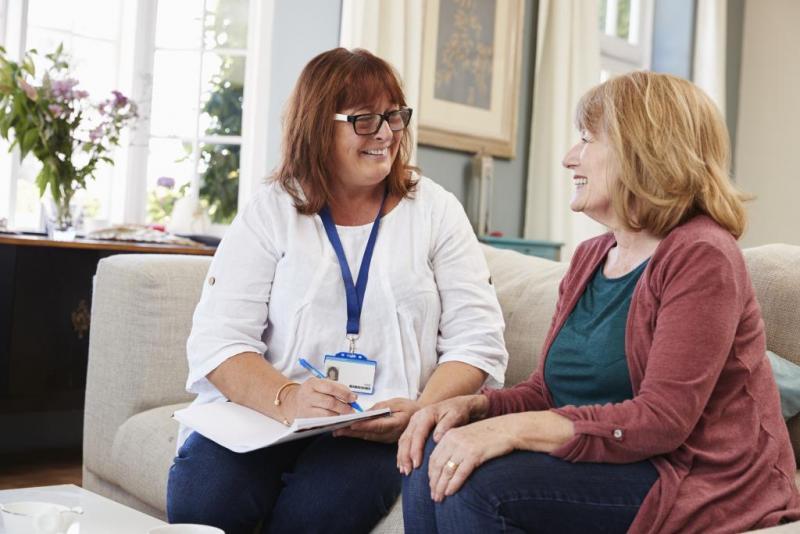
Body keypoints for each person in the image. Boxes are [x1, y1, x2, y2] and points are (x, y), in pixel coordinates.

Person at [399, 71, 800, 533]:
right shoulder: (592, 256)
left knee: (477, 486)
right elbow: (547, 394)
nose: (571, 157)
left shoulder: (702, 255)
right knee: (430, 453)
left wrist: (508, 432)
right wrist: (476, 409)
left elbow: (661, 421)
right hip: (618, 463)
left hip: (692, 476)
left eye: (587, 139)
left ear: (643, 152)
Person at [166, 47, 507, 534]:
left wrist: (420, 410)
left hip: (378, 432)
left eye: (394, 116)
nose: (387, 134)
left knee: (314, 517)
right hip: (267, 415)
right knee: (203, 500)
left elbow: (478, 340)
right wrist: (287, 397)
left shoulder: (436, 211)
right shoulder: (272, 211)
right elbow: (219, 342)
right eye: (366, 120)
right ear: (317, 127)